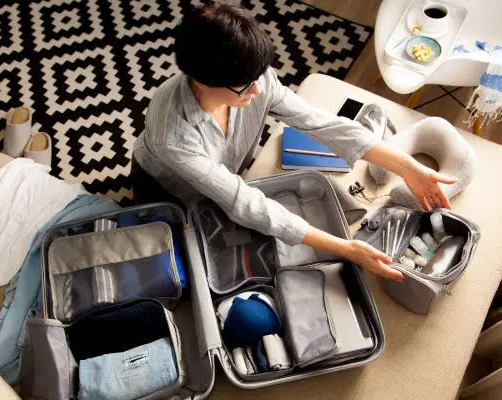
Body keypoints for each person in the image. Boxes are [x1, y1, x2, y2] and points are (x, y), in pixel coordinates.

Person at [131, 2, 455, 281]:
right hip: (166, 183)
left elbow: (320, 122)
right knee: (183, 234)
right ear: (201, 81)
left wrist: (409, 168)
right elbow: (244, 202)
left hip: (223, 165)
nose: (259, 91)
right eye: (244, 87)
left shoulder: (254, 80)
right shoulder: (172, 136)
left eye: (259, 77)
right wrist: (346, 249)